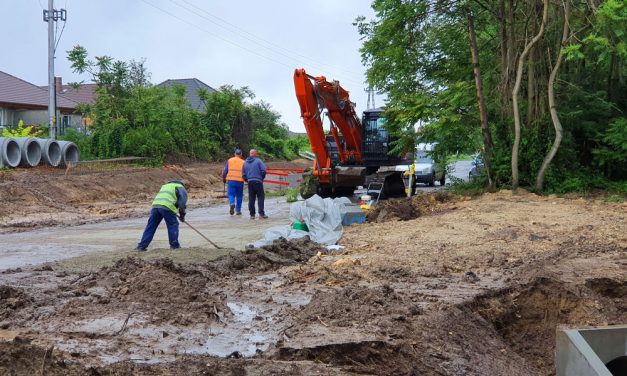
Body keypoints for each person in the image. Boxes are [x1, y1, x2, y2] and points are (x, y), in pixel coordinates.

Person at [136, 179, 190, 251]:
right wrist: (182, 216)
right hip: (167, 207)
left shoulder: (166, 185)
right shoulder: (180, 187)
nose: (187, 190)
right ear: (185, 185)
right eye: (188, 188)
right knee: (173, 225)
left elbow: (173, 199)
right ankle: (174, 246)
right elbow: (182, 203)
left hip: (156, 206)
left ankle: (141, 246)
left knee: (151, 226)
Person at [242, 149, 267, 219]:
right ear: (255, 154)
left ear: (250, 154)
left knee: (251, 199)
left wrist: (248, 180)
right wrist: (261, 178)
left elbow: (243, 175)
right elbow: (264, 171)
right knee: (261, 197)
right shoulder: (258, 161)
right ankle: (261, 214)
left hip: (250, 182)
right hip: (258, 181)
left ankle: (252, 215)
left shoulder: (245, 163)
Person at [222, 149, 245, 215]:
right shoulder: (243, 162)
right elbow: (245, 172)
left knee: (231, 194)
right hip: (240, 182)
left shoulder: (230, 160)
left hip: (231, 181)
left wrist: (224, 178)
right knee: (239, 196)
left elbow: (225, 171)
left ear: (235, 154)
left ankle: (232, 203)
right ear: (241, 154)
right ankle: (238, 211)